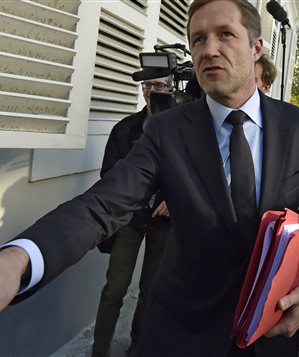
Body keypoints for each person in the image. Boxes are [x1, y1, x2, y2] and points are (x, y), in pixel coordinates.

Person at [0, 1, 299, 355]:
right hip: (179, 334)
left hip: (272, 331)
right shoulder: (166, 131)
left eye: (225, 35)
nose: (209, 49)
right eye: (198, 39)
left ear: (257, 47)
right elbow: (100, 206)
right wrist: (14, 262)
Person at [92, 76, 172, 357]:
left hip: (164, 224)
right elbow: (108, 175)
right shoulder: (125, 129)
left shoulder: (185, 132)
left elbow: (201, 176)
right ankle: (99, 351)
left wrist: (175, 199)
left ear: (172, 88)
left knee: (151, 291)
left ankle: (138, 346)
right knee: (114, 289)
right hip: (130, 219)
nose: (153, 91)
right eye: (148, 85)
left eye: (160, 85)